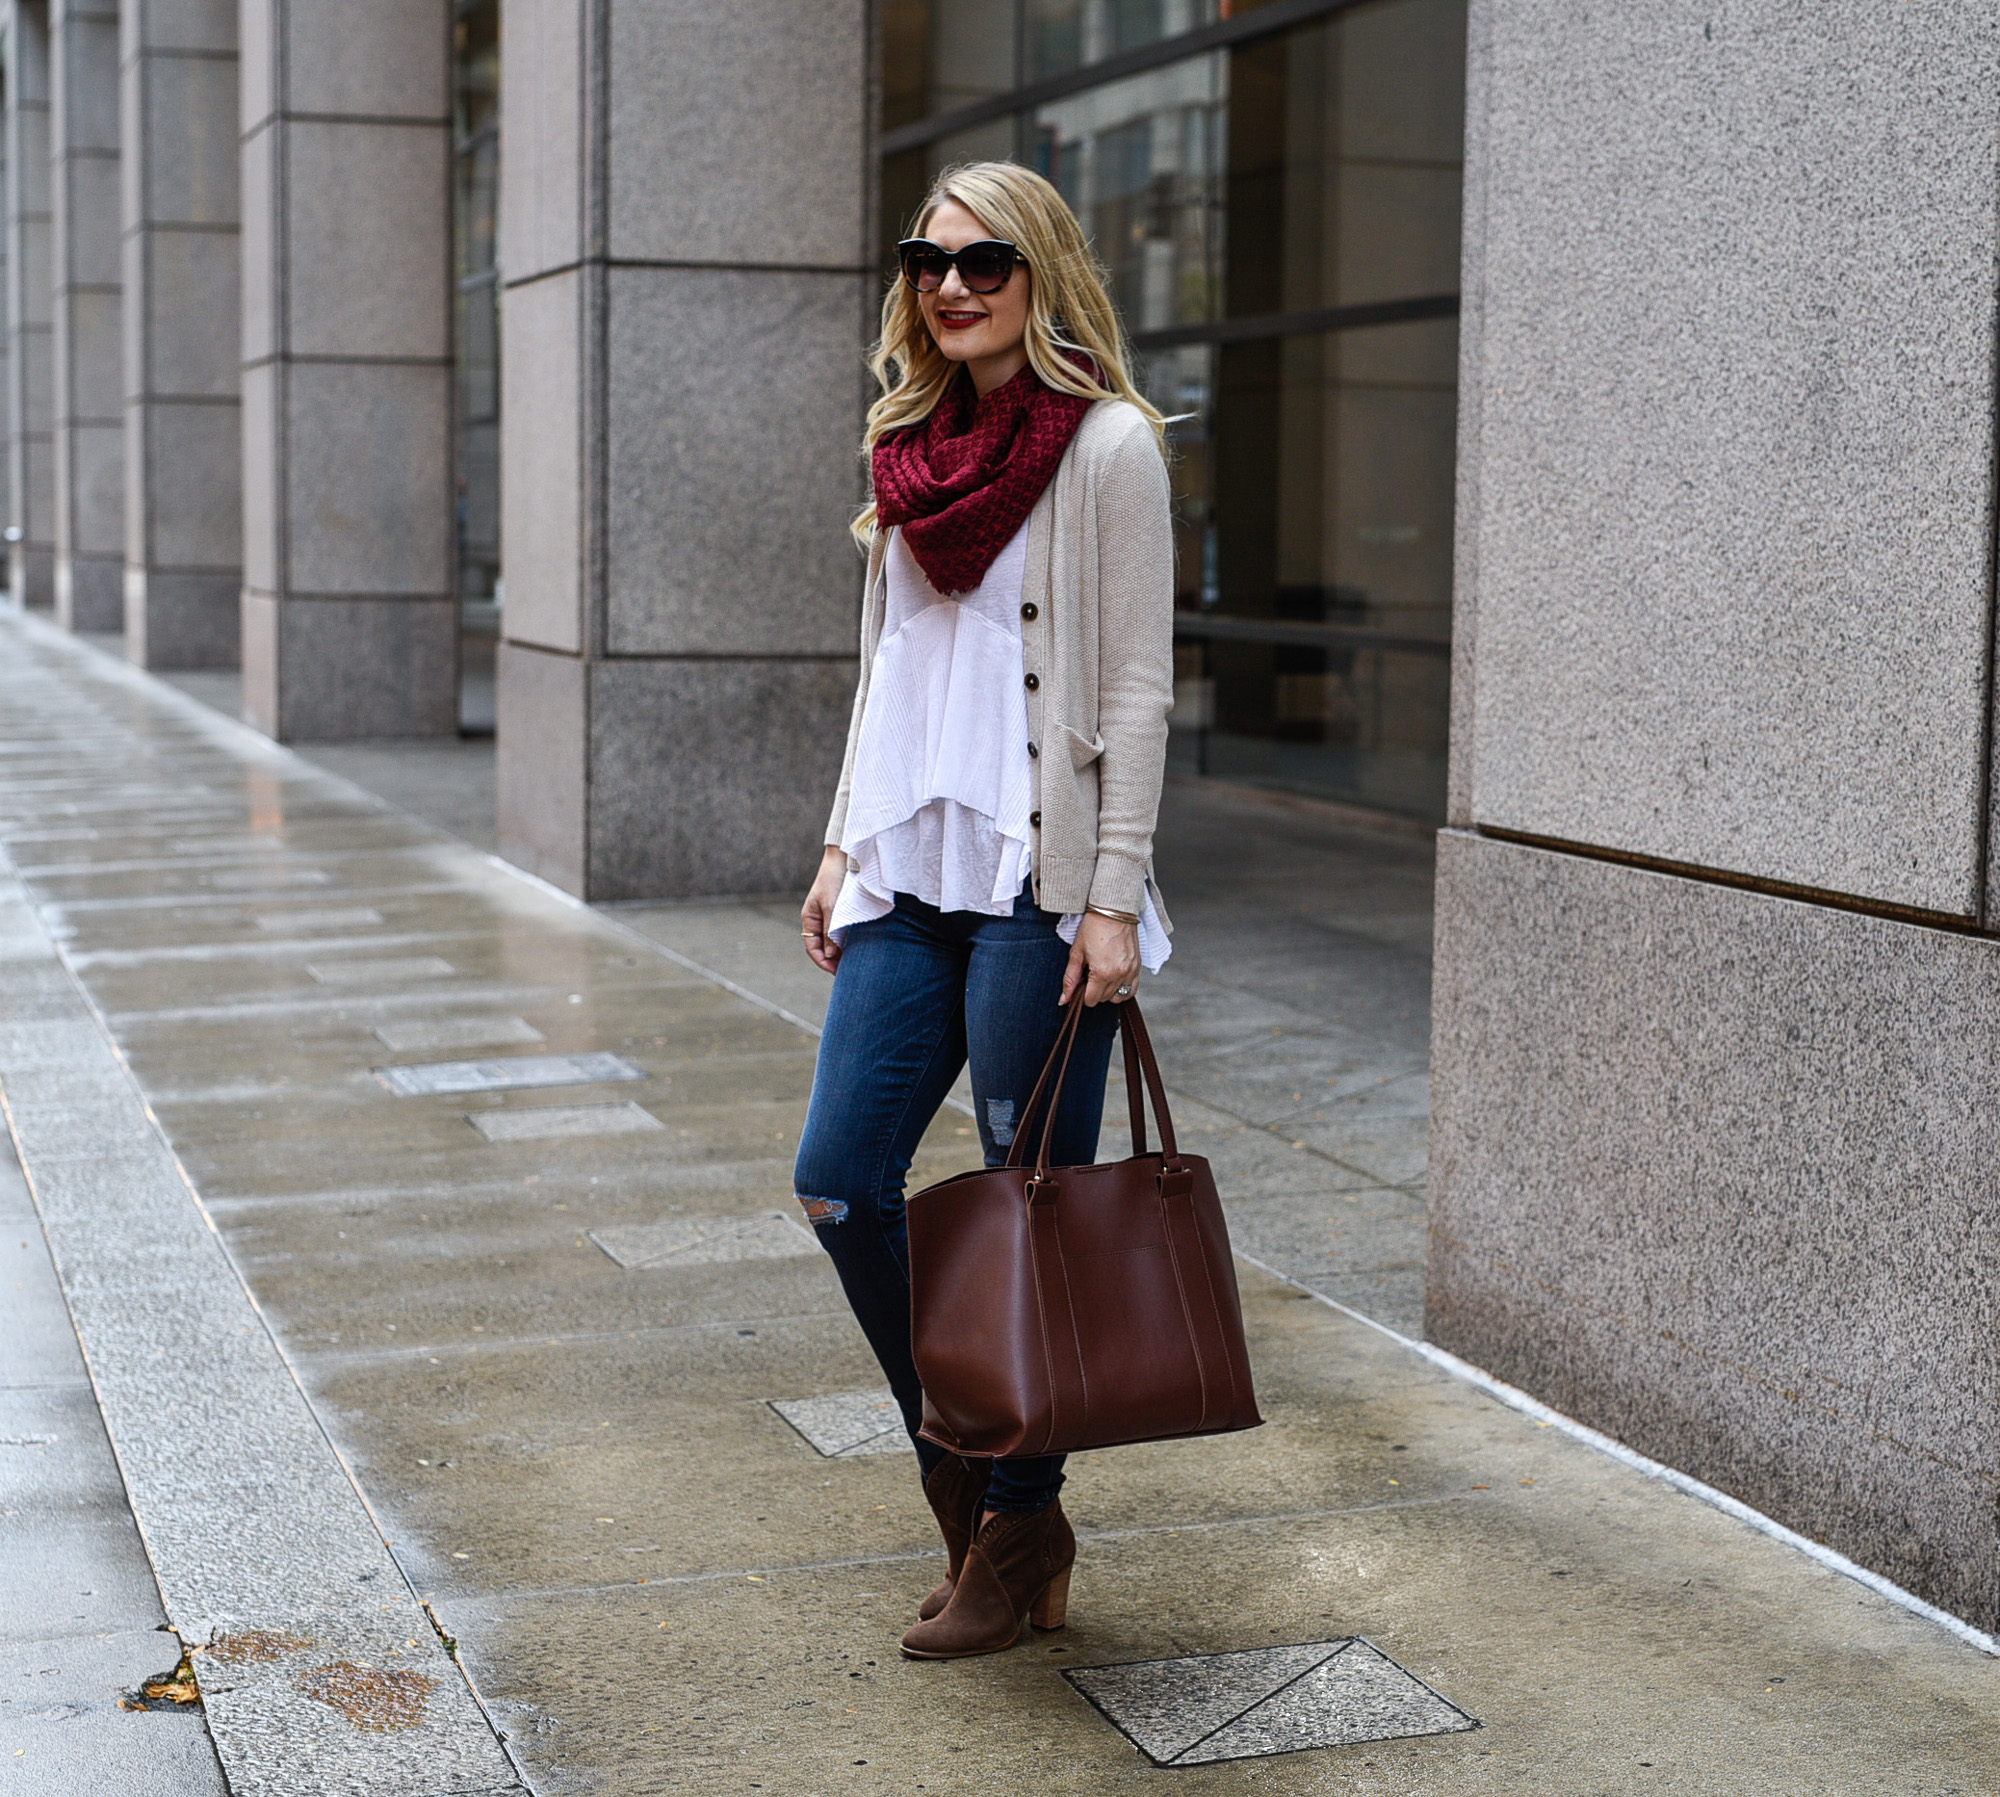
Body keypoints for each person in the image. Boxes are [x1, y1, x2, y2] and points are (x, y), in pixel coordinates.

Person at [792, 161, 1176, 1660]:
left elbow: (1138, 685)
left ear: (1044, 269)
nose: (955, 286)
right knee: (839, 1177)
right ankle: (964, 1455)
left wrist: (1112, 892)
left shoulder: (1109, 450)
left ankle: (1020, 1523)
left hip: (1036, 884)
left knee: (1028, 1215)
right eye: (931, 262)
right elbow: (887, 673)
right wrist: (839, 846)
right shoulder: (907, 447)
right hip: (910, 874)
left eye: (987, 261)